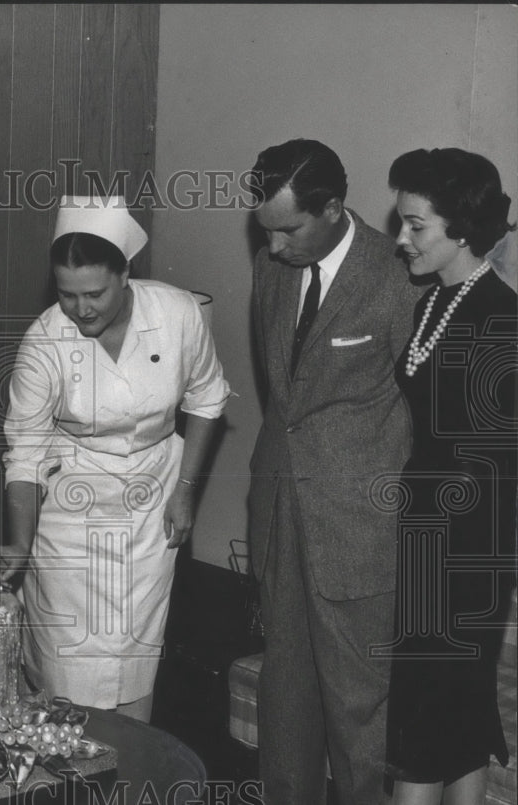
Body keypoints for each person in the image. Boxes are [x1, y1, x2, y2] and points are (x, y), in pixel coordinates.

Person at [0, 195, 231, 723]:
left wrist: (186, 492)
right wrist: (20, 545)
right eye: (68, 294)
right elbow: (24, 455)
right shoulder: (43, 342)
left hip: (152, 503)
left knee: (136, 651)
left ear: (127, 274)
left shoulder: (177, 313)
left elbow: (208, 399)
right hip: (70, 512)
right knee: (68, 659)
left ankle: (133, 771)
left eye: (95, 292)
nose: (82, 309)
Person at [247, 138, 423, 805]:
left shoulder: (397, 274)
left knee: (360, 714)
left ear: (333, 209)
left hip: (359, 526)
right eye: (266, 230)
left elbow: (424, 412)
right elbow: (280, 400)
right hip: (281, 513)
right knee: (284, 697)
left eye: (290, 229)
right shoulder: (275, 263)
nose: (274, 246)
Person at [384, 148, 516, 805]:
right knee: (454, 722)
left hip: (465, 554)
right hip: (429, 539)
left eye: (417, 226)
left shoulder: (499, 317)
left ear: (462, 227)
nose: (401, 238)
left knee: (425, 718)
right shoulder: (434, 305)